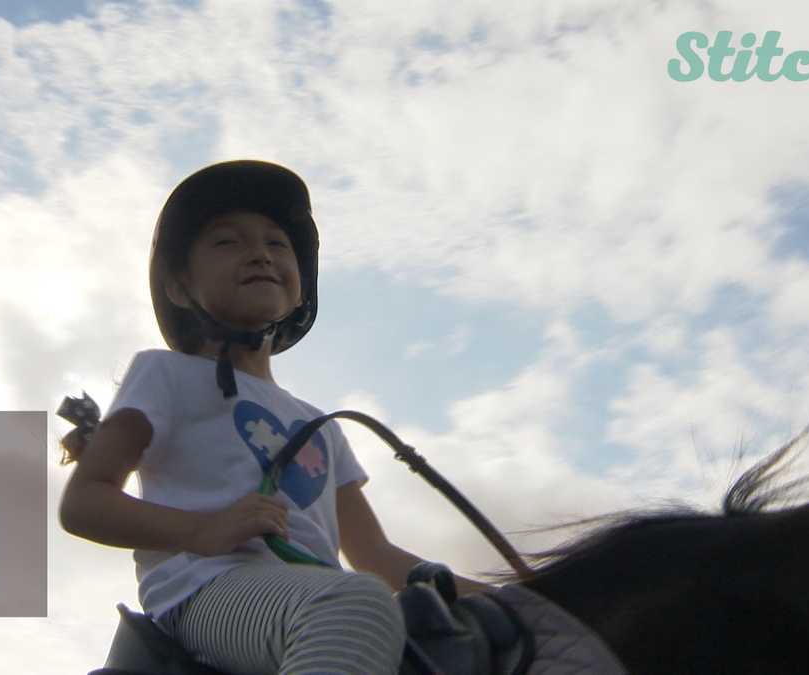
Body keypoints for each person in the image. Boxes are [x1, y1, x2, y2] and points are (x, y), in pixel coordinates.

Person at [58, 159, 496, 675]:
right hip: (208, 589)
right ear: (178, 287)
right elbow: (85, 502)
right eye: (227, 242)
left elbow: (375, 555)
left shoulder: (321, 425)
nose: (259, 255)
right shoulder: (164, 374)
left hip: (316, 601)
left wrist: (513, 602)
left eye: (277, 244)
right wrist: (202, 529)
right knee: (354, 605)